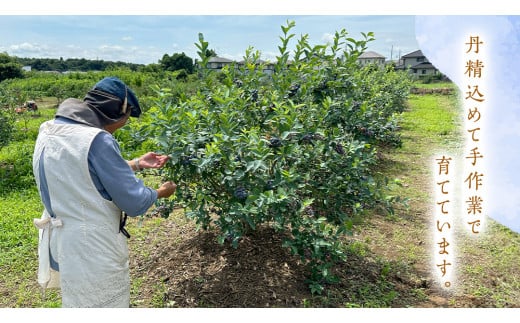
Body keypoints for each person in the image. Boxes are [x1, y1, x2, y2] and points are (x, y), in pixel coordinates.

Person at [32, 76, 177, 307]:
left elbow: (79, 172)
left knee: (77, 303)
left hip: (65, 240)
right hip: (93, 245)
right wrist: (161, 192)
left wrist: (136, 163)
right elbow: (134, 202)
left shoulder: (50, 129)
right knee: (105, 304)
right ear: (117, 114)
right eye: (126, 120)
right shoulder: (98, 139)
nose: (122, 126)